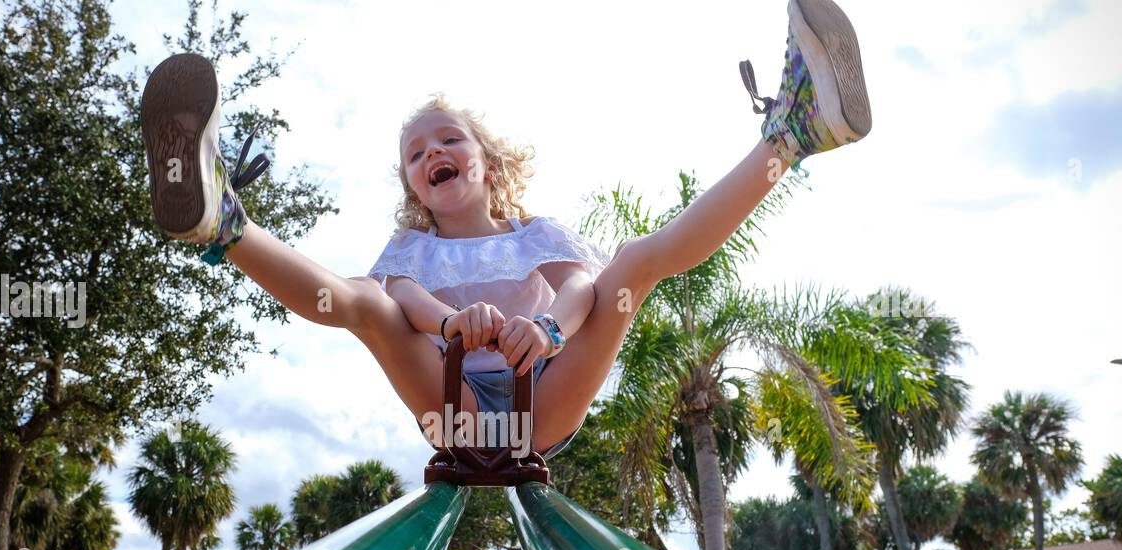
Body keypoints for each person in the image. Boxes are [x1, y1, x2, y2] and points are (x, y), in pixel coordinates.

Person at [138, 1, 870, 459]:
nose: (433, 156)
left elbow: (578, 286)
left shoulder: (535, 234)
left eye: (447, 141)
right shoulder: (413, 249)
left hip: (542, 400)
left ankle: (794, 135)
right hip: (452, 407)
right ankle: (220, 222)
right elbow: (404, 301)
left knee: (634, 265)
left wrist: (547, 330)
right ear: (413, 189)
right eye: (416, 156)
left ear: (487, 161)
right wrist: (455, 321)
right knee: (363, 302)